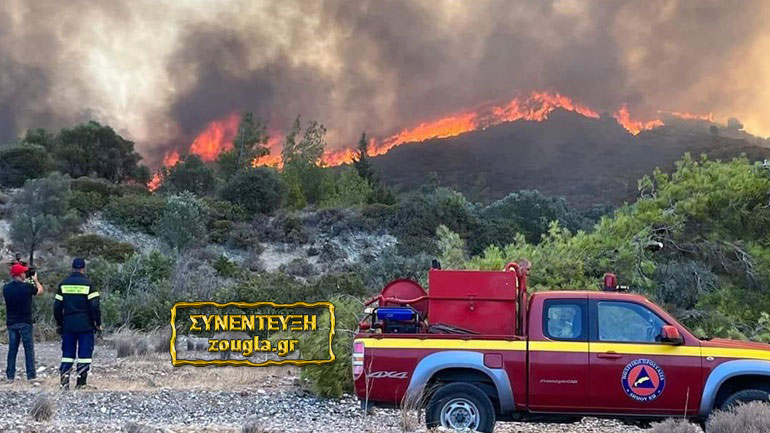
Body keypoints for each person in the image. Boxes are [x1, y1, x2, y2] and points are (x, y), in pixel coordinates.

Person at [54, 258, 101, 390]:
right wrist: (97, 323)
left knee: (67, 354)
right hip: (85, 324)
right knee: (84, 354)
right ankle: (81, 383)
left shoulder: (63, 284)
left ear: (72, 268)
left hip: (68, 324)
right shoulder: (89, 284)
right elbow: (95, 306)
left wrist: (59, 323)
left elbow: (57, 307)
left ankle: (64, 383)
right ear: (83, 269)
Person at [3, 262, 44, 381]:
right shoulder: (27, 287)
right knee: (28, 349)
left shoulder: (6, 288)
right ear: (20, 274)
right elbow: (40, 291)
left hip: (11, 322)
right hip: (25, 322)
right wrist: (35, 280)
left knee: (12, 349)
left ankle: (10, 375)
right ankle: (31, 375)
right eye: (23, 272)